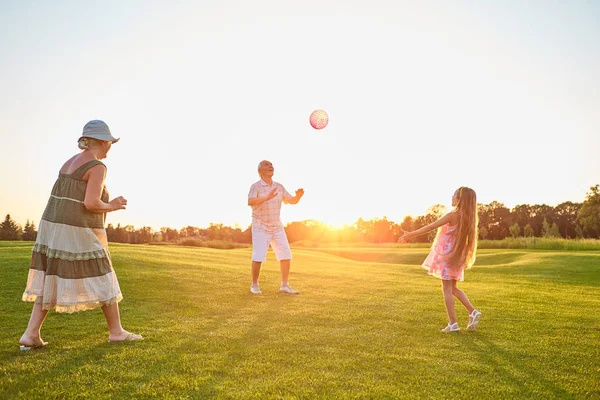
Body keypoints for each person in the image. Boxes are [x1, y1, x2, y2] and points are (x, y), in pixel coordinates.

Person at [19, 120, 143, 350]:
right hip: (75, 229)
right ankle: (116, 332)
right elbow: (91, 203)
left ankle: (31, 334)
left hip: (53, 226)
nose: (110, 147)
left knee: (51, 276)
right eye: (110, 143)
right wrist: (113, 205)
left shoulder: (69, 162)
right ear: (104, 141)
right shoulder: (97, 166)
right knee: (104, 272)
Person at [398, 186, 482, 333]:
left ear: (459, 199)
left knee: (447, 289)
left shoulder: (452, 215)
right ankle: (472, 312)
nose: (452, 197)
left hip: (446, 254)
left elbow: (431, 226)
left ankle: (453, 323)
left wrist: (410, 234)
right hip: (457, 255)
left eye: (454, 195)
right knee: (453, 288)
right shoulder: (468, 218)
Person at [247, 160, 304, 295]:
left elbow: (291, 200)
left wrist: (298, 196)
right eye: (267, 165)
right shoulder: (255, 187)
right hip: (260, 226)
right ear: (260, 171)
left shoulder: (279, 186)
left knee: (285, 255)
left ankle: (284, 286)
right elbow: (250, 201)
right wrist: (266, 197)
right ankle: (254, 285)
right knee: (258, 256)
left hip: (277, 226)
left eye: (272, 165)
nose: (271, 166)